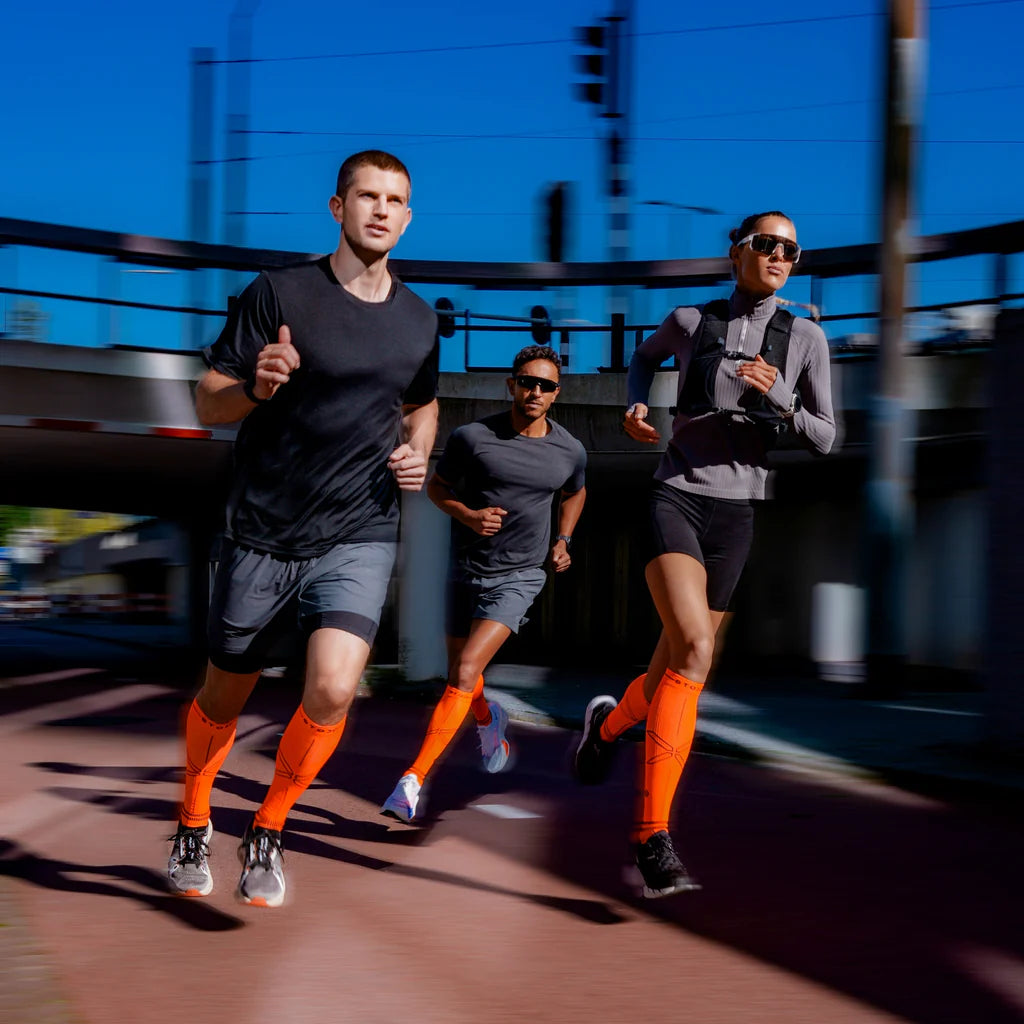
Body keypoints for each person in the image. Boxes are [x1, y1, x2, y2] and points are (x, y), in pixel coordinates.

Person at [166, 150, 440, 907]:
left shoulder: (421, 321)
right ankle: (193, 817)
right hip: (261, 528)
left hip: (360, 529)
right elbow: (208, 401)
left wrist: (419, 448)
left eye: (394, 200)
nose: (381, 210)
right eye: (367, 196)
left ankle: (269, 828)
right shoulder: (278, 293)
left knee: (332, 688)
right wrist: (256, 386)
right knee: (224, 696)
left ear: (407, 217)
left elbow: (421, 404)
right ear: (337, 207)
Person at [573, 211, 836, 897]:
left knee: (675, 667)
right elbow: (642, 358)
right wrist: (636, 406)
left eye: (790, 249)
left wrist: (780, 395)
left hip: (738, 515)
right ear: (736, 252)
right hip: (678, 497)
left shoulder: (806, 338)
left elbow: (825, 436)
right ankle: (651, 836)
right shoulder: (692, 321)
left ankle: (608, 726)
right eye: (766, 244)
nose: (779, 255)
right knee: (694, 649)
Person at [380, 345, 587, 822]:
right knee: (461, 673)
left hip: (521, 575)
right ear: (511, 384)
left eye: (546, 385)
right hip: (466, 569)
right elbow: (437, 489)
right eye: (527, 382)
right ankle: (488, 719)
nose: (535, 392)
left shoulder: (570, 449)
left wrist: (564, 539)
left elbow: (576, 492)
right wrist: (470, 516)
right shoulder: (472, 438)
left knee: (467, 668)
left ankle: (412, 780)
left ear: (557, 393)